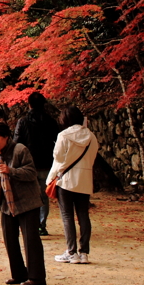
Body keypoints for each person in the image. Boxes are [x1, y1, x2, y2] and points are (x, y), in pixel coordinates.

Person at [0, 120, 46, 285]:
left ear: (6, 137)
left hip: (27, 201)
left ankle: (37, 277)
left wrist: (11, 171)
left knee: (31, 240)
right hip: (6, 202)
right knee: (10, 239)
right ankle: (18, 274)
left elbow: (31, 173)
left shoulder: (20, 150)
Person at [48, 106, 99, 264]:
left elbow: (57, 156)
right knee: (83, 214)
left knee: (67, 216)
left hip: (67, 179)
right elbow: (93, 156)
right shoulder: (91, 136)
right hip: (84, 179)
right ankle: (84, 252)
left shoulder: (64, 135)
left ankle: (71, 252)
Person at [14, 93, 60, 236]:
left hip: (28, 164)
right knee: (43, 196)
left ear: (29, 104)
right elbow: (58, 142)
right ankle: (41, 224)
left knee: (27, 194)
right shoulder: (51, 121)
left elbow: (16, 143)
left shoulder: (22, 122)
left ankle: (30, 223)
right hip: (47, 163)